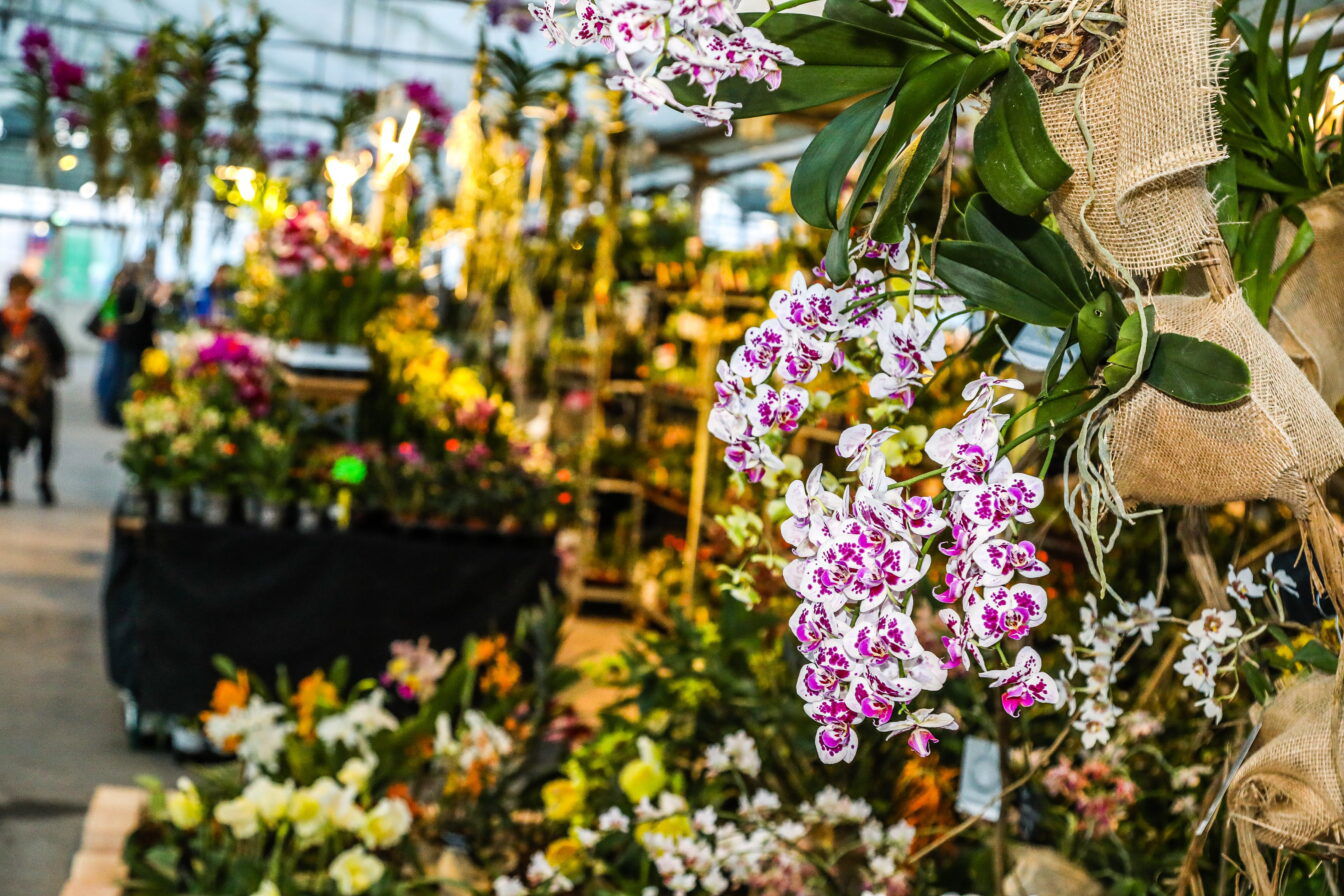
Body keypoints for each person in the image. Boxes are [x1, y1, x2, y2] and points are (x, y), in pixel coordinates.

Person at [0, 272, 68, 505]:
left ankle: (43, 479)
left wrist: (51, 369)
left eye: (24, 293)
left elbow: (60, 351)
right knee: (3, 438)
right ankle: (6, 484)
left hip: (38, 389)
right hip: (7, 392)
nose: (20, 298)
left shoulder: (41, 321)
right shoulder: (2, 321)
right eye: (16, 293)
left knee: (46, 434)